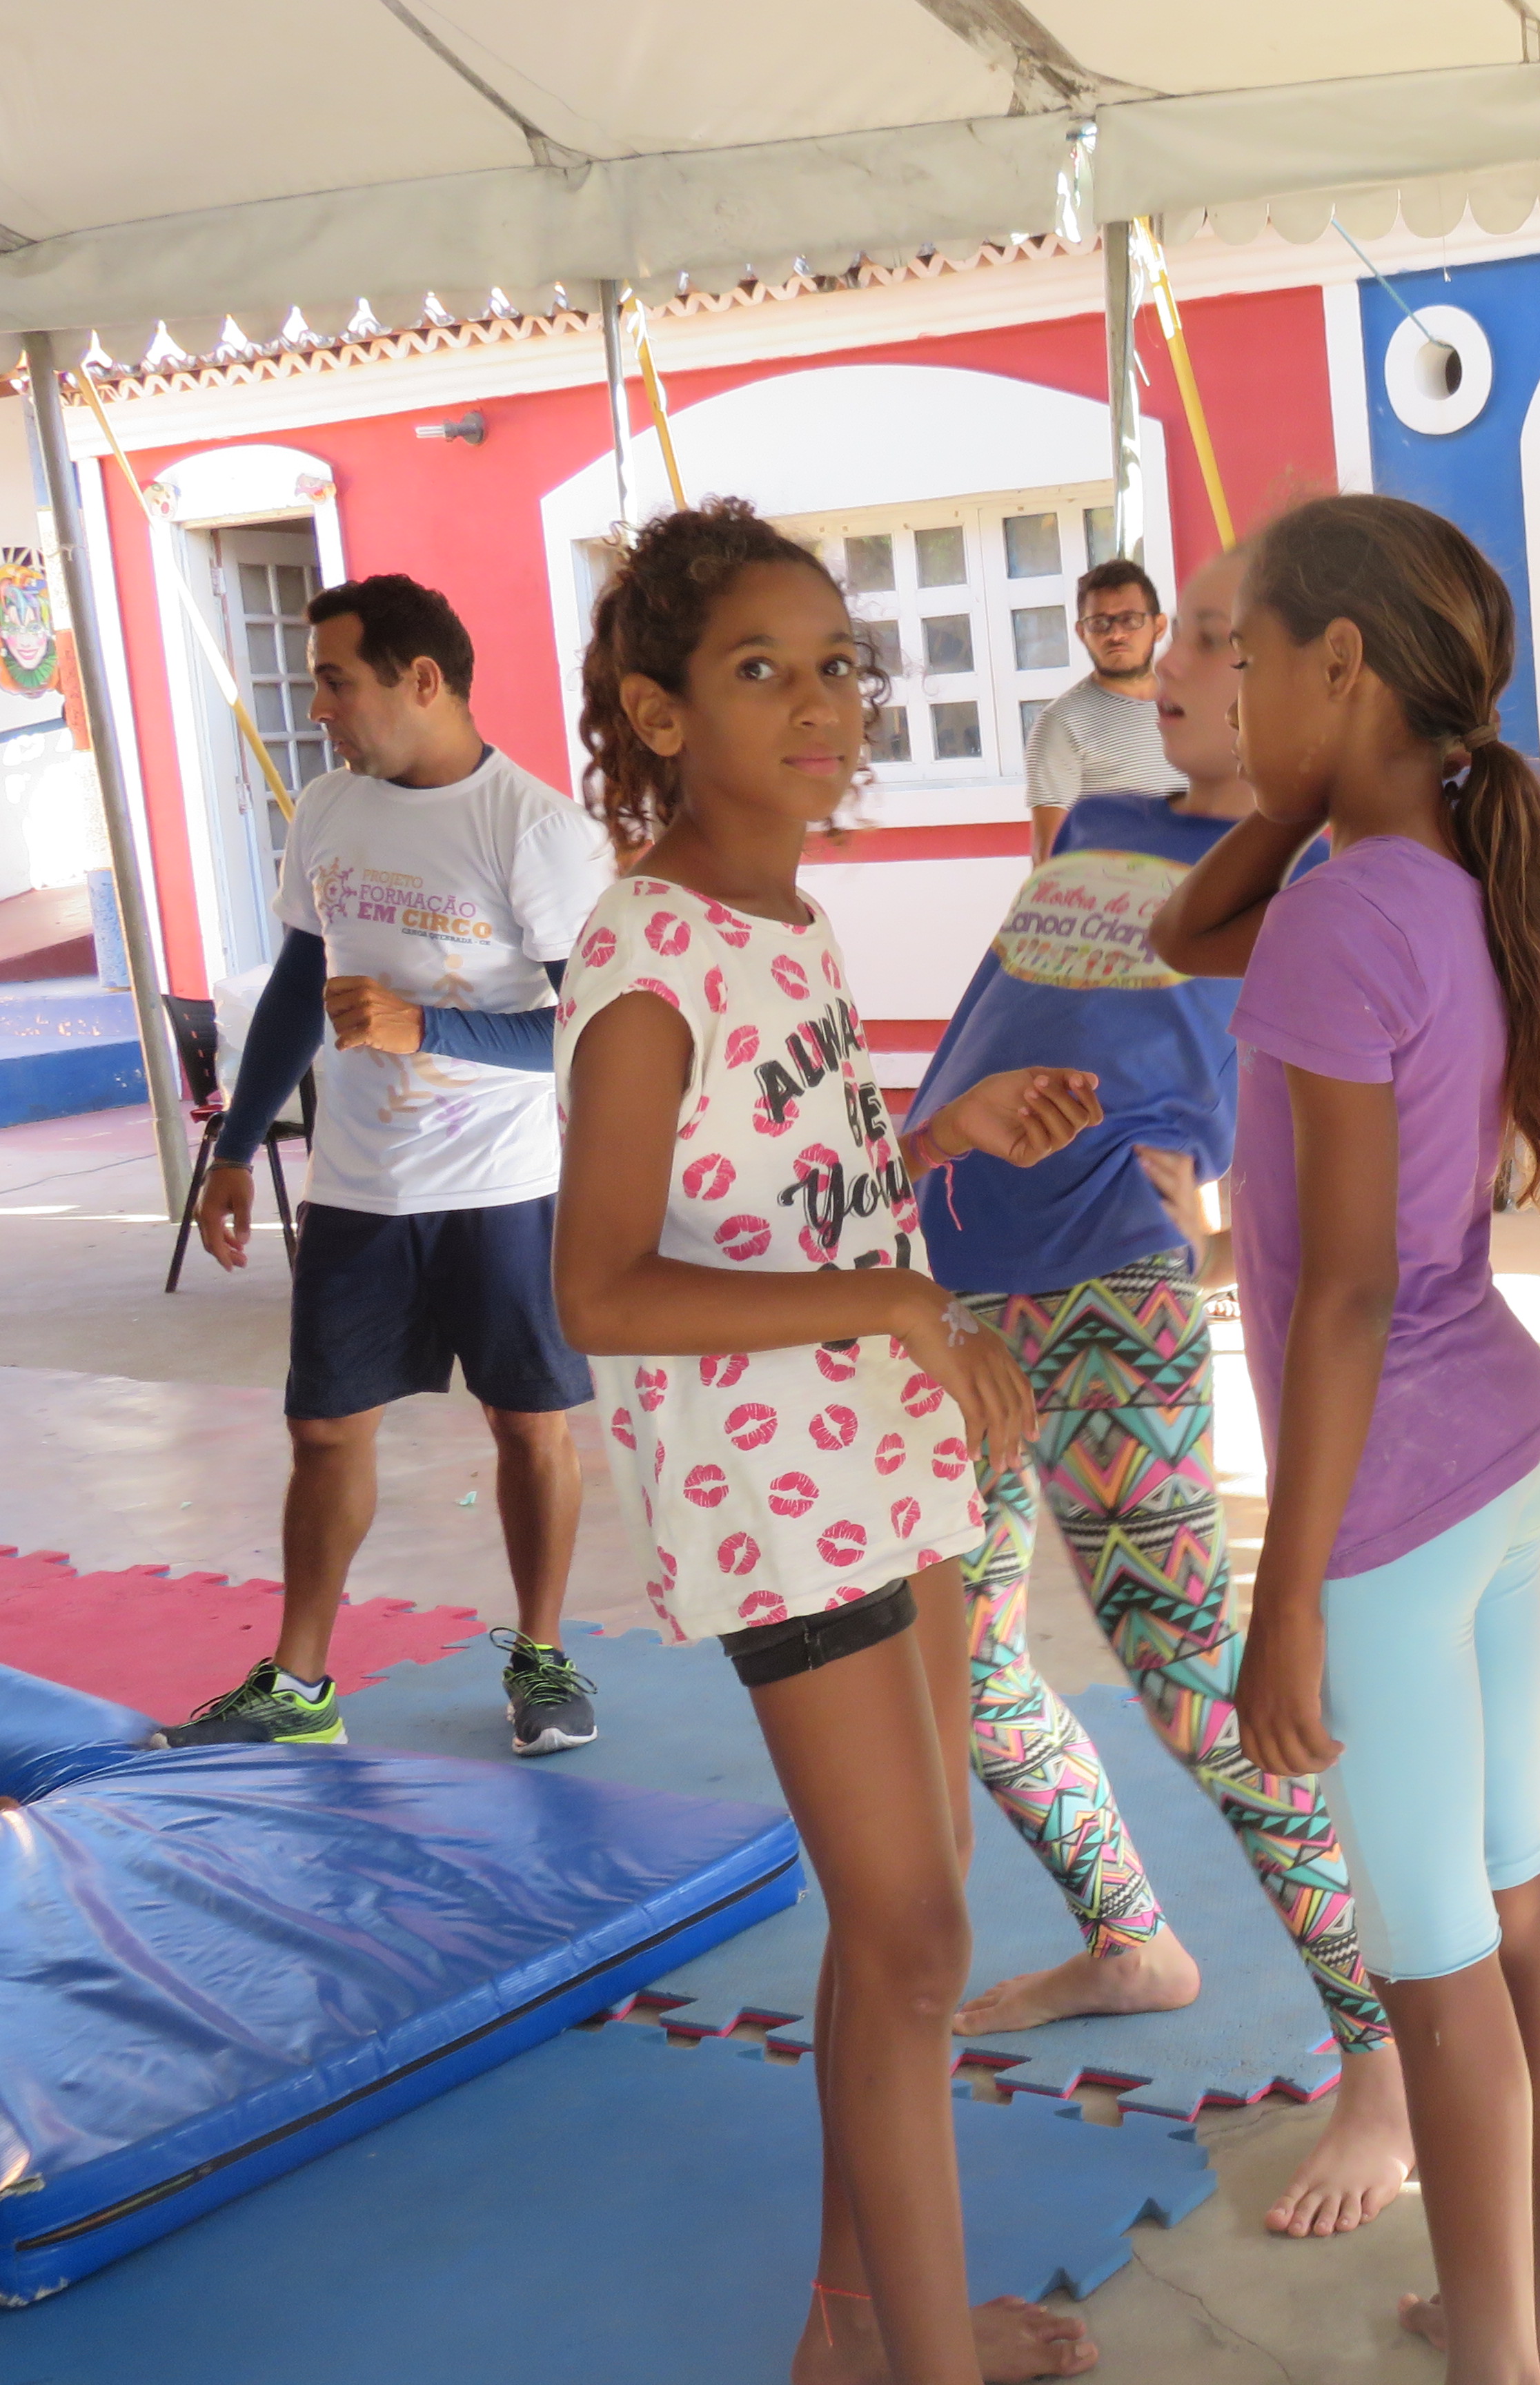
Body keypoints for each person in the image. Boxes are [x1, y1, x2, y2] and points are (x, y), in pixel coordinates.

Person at [552, 498, 1108, 2385]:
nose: (819, 704)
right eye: (759, 669)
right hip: (778, 1506)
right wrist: (892, 1302)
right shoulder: (646, 961)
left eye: (837, 665)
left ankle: (857, 2321)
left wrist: (941, 1139)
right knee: (918, 1931)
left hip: (892, 1458)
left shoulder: (788, 920)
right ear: (658, 714)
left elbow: (778, 1182)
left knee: (909, 1918)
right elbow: (601, 1289)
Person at [1148, 495, 1540, 2385]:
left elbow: (1340, 1293)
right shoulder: (1430, 877)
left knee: (1435, 1966)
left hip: (1398, 1501)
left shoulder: (1344, 919)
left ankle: (1503, 2354)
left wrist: (1285, 1603)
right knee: (1520, 1889)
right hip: (1501, 1440)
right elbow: (1184, 923)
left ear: (1342, 664)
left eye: (1250, 656)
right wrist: (1322, 777)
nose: (1226, 691)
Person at [907, 543, 1417, 2239]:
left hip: (1106, 1287)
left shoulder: (1307, 873)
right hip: (955, 1279)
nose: (1173, 664)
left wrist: (1208, 1186)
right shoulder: (1101, 824)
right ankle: (1132, 1940)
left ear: (1308, 676)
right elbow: (994, 1021)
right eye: (1178, 636)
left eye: (1211, 638)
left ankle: (1388, 2054)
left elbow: (1302, 1075)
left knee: (1200, 1691)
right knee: (970, 1671)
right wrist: (922, 1154)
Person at [172, 573, 609, 1758]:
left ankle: (543, 1654)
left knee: (530, 1427)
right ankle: (299, 1685)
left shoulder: (535, 830)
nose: (316, 706)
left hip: (505, 1187)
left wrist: (431, 1027)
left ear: (421, 680)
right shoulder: (328, 809)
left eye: (334, 680)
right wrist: (234, 1147)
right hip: (359, 1187)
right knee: (323, 1431)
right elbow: (296, 987)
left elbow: (597, 1031)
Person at [1025, 558, 1185, 858]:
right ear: (1081, 633)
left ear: (1159, 626)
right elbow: (1048, 856)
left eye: (1130, 620)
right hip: (1118, 887)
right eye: (1100, 623)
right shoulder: (1061, 724)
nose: (1116, 634)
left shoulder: (1197, 706)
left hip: (1213, 882)